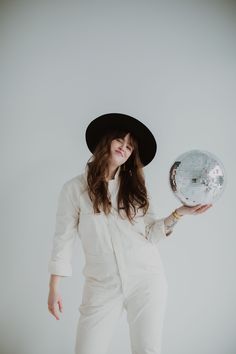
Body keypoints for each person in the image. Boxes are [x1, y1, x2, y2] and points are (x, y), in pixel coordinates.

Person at [47, 113, 212, 354]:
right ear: (106, 142)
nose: (124, 148)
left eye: (130, 146)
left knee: (147, 350)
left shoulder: (135, 188)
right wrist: (54, 289)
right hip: (101, 285)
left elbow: (150, 234)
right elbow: (62, 240)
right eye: (120, 141)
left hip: (146, 280)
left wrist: (179, 213)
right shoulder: (73, 190)